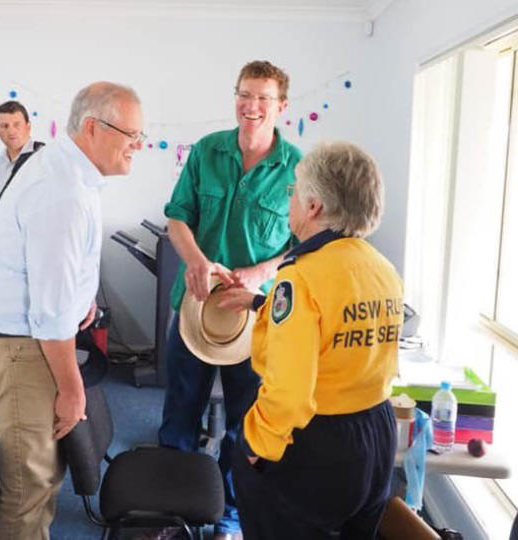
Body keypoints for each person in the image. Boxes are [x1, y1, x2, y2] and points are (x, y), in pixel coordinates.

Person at [0, 82, 144, 540]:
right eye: (132, 134)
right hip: (17, 346)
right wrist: (72, 389)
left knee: (39, 477)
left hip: (23, 339)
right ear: (93, 128)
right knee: (31, 485)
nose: (139, 145)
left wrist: (81, 299)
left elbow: (59, 280)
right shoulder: (62, 190)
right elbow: (50, 311)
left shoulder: (68, 172)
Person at [218, 141, 404, 539]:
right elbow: (337, 327)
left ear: (314, 205)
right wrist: (260, 302)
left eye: (294, 192)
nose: (292, 201)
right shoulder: (380, 267)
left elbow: (290, 394)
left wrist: (254, 447)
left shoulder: (300, 277)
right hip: (376, 435)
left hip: (318, 443)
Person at [158, 60, 301, 540]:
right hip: (194, 310)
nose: (252, 106)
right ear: (235, 97)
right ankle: (170, 514)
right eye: (245, 94)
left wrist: (262, 271)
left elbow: (302, 245)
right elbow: (177, 218)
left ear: (282, 106)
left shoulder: (298, 169)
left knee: (247, 425)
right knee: (179, 416)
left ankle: (229, 517)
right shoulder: (206, 151)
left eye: (263, 98)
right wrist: (196, 259)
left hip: (255, 319)